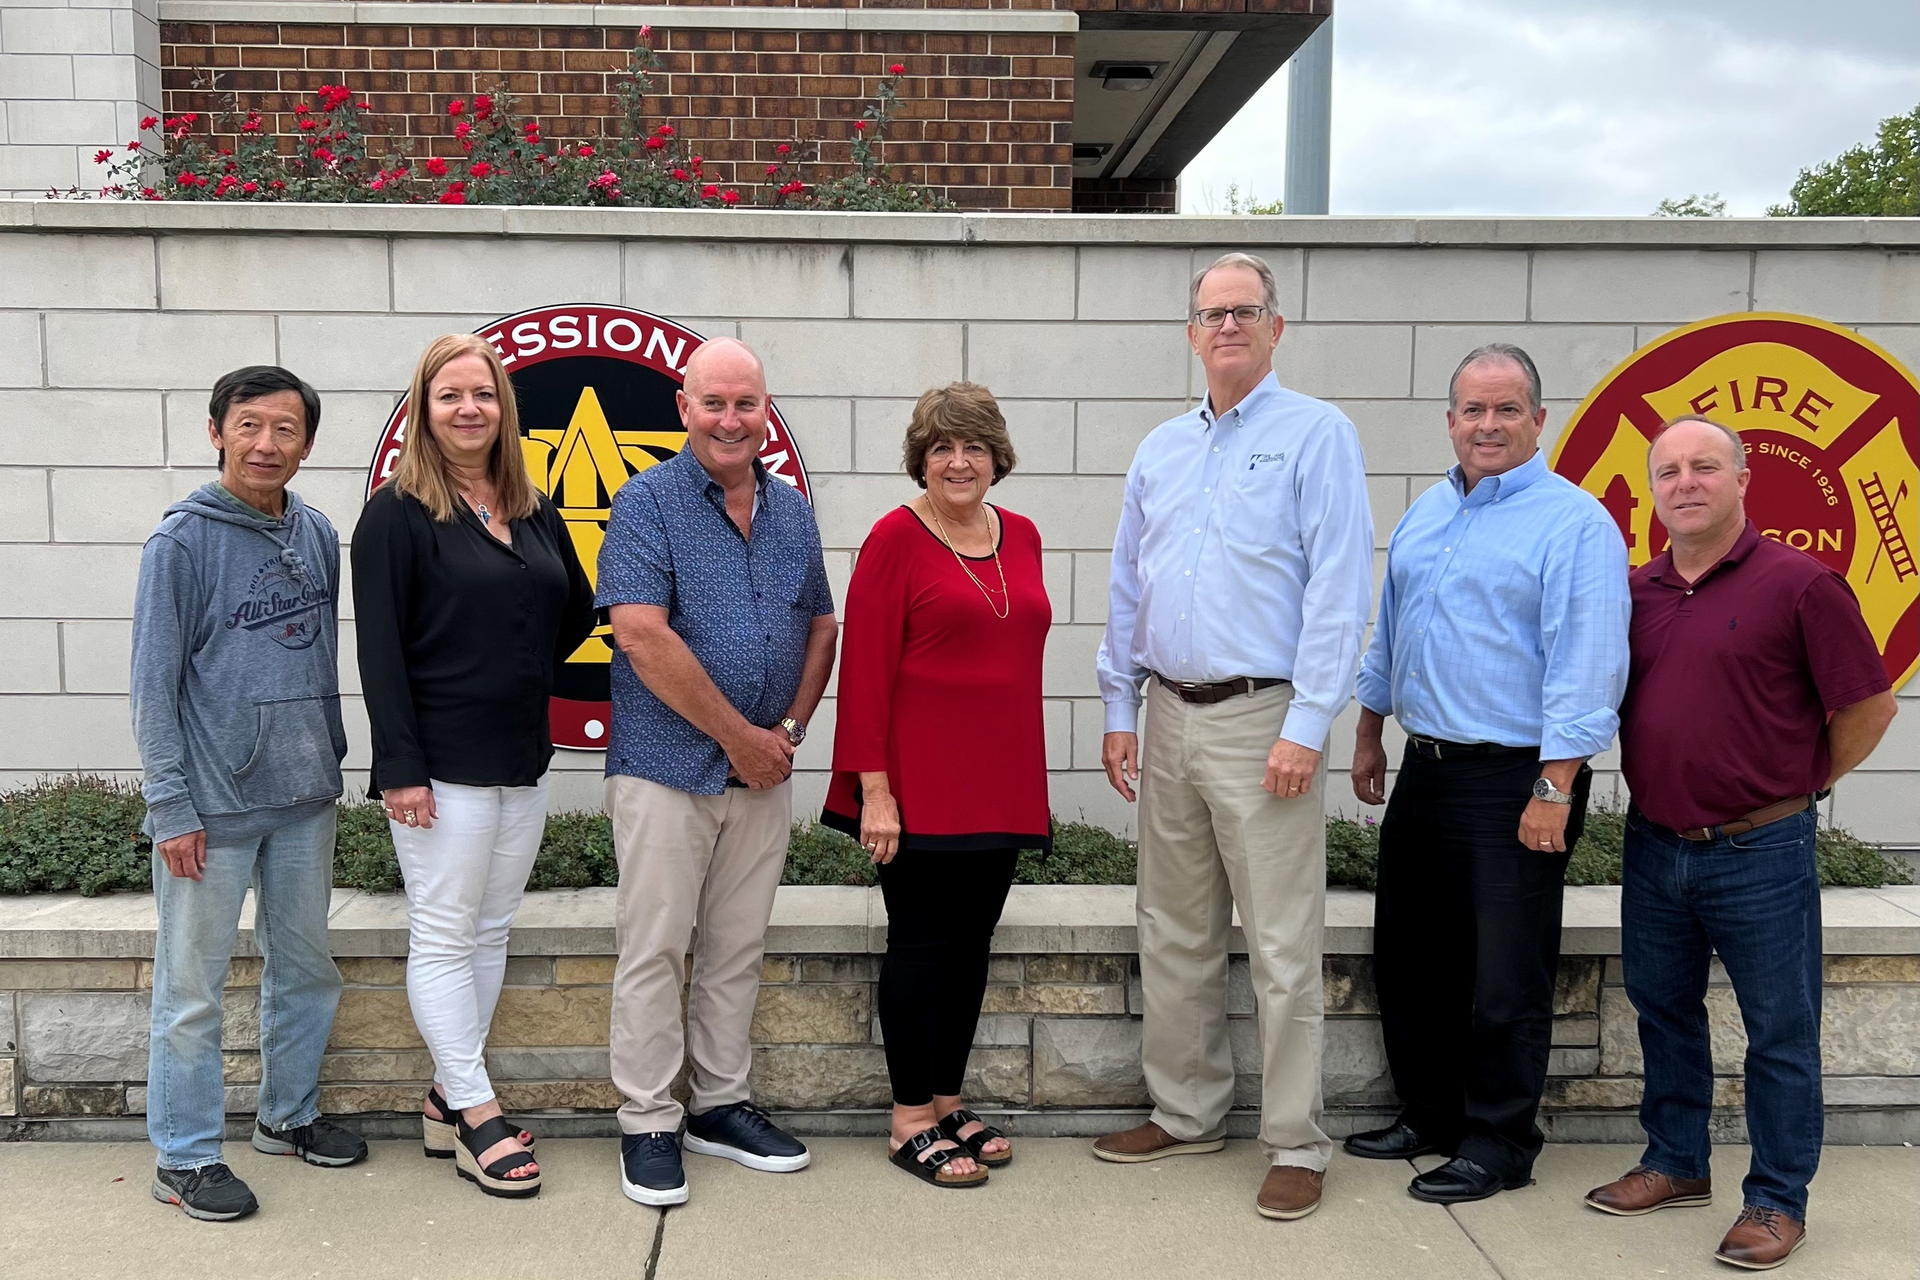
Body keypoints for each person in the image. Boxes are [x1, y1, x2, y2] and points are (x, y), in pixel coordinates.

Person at [1093, 252, 1375, 1221]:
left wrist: (1309, 721)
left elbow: (1340, 590)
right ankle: (1185, 1108)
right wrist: (1121, 707)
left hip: (1267, 718)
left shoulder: (1316, 436)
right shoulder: (1161, 449)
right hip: (1168, 710)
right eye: (1211, 313)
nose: (1226, 327)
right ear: (1191, 332)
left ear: (1275, 327)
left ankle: (1297, 1137)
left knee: (1284, 940)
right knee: (1173, 926)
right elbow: (1131, 584)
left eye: (1243, 311)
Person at [1584, 416, 1895, 1270]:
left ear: (1744, 479)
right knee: (1665, 1012)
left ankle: (1776, 1200)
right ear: (1654, 488)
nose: (1686, 482)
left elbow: (1870, 706)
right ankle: (1676, 1163)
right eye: (1671, 470)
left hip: (1762, 851)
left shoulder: (1801, 584)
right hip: (1655, 845)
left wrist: (1803, 784)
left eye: (1705, 467)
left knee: (1780, 1033)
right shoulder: (1637, 589)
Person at [1347, 343, 1630, 1204]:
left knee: (1505, 974)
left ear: (1539, 421)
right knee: (1413, 959)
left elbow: (1588, 666)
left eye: (1507, 409)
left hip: (1517, 779)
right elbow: (1390, 635)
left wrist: (1557, 787)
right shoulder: (1429, 512)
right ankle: (1429, 1117)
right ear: (1450, 421)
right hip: (1427, 770)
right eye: (1473, 409)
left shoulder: (1573, 523)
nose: (1489, 425)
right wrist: (1368, 731)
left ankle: (1500, 1142)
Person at [351, 333, 597, 1201]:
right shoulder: (396, 513)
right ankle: (477, 1111)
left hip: (521, 757)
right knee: (446, 932)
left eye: (482, 394)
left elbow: (573, 607)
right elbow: (379, 653)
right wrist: (401, 769)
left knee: (490, 932)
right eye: (449, 394)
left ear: (504, 408)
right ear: (424, 408)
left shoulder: (531, 508)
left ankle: (443, 1096)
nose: (468, 409)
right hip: (439, 767)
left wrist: (519, 671)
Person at [597, 337, 839, 1207]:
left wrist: (788, 729)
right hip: (667, 770)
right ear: (685, 410)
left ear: (765, 411)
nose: (731, 420)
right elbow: (640, 635)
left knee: (737, 948)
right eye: (715, 404)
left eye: (747, 404)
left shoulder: (793, 513)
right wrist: (739, 735)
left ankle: (720, 1106)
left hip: (762, 773)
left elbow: (820, 626)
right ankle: (650, 1120)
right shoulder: (645, 503)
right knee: (656, 949)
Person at [132, 365, 367, 1221]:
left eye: (286, 430)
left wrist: (332, 757)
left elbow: (314, 661)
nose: (267, 444)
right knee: (191, 993)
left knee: (305, 969)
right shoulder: (181, 544)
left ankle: (287, 1115)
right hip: (211, 810)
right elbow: (152, 687)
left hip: (303, 796)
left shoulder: (316, 534)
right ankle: (185, 1158)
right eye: (250, 426)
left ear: (307, 442)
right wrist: (171, 806)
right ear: (216, 431)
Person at [822, 383, 1050, 1189]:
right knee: (921, 947)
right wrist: (873, 791)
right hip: (918, 787)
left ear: (997, 460)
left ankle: (949, 1101)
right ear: (922, 459)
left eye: (975, 447)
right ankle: (909, 1117)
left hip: (1001, 782)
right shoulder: (894, 538)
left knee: (973, 947)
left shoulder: (1020, 535)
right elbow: (866, 674)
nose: (959, 461)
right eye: (943, 448)